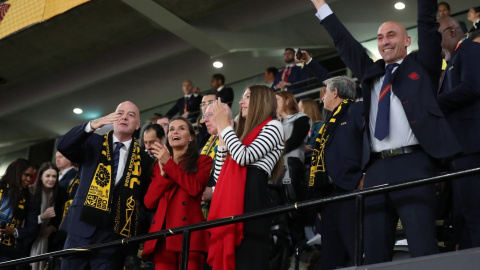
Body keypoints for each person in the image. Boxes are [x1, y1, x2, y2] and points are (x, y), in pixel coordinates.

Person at [309, 0, 461, 264]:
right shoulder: (371, 73)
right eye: (380, 37)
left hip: (414, 164)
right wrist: (321, 5)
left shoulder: (422, 66)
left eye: (391, 35)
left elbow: (426, 23)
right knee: (375, 254)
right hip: (376, 171)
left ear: (407, 41)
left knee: (423, 248)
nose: (385, 41)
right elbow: (345, 42)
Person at [56, 101, 154, 269]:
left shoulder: (145, 160)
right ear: (113, 118)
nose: (124, 117)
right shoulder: (93, 142)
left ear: (138, 125)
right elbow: (63, 145)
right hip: (81, 227)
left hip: (114, 238)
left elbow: (145, 201)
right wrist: (92, 125)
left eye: (131, 115)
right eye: (120, 113)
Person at [207, 85, 284, 270]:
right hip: (231, 199)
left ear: (261, 101)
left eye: (248, 97)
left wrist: (225, 126)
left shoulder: (274, 125)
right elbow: (218, 176)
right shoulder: (238, 136)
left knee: (249, 258)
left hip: (252, 198)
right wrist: (223, 139)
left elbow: (244, 157)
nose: (241, 102)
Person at [142, 116, 212, 270]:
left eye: (181, 128)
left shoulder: (203, 161)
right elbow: (149, 202)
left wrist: (169, 165)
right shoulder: (158, 164)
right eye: (172, 129)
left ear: (191, 137)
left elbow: (195, 189)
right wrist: (163, 173)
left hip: (190, 235)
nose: (175, 131)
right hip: (162, 238)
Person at [309, 76, 365, 269]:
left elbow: (370, 142)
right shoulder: (327, 124)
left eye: (325, 91)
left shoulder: (356, 110)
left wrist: (365, 173)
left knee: (358, 253)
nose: (322, 96)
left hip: (350, 191)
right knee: (332, 260)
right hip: (327, 197)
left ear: (335, 92)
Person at [437, 16, 480, 249]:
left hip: (472, 147)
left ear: (452, 31)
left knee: (475, 217)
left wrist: (434, 102)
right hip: (461, 150)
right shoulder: (454, 59)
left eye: (438, 35)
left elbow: (474, 86)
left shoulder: (470, 50)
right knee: (463, 218)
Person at [275, 91, 311, 245]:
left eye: (276, 99)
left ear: (287, 100)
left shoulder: (301, 118)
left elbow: (295, 140)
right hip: (276, 171)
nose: (272, 103)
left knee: (293, 205)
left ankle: (303, 243)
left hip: (291, 165)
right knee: (281, 209)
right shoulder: (275, 123)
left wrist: (271, 152)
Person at [0, 158, 38, 268]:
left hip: (8, 253)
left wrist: (13, 231)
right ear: (16, 173)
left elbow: (32, 228)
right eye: (26, 175)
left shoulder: (30, 198)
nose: (29, 179)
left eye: (31, 176)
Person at [29, 162, 67, 270]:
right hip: (30, 239)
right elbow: (24, 221)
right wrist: (42, 217)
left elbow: (61, 216)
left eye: (54, 176)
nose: (51, 179)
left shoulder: (61, 193)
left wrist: (52, 227)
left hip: (50, 240)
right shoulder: (31, 192)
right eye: (48, 176)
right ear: (40, 177)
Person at [298, 98, 323, 164]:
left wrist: (300, 148)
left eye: (302, 107)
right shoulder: (300, 128)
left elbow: (313, 144)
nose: (299, 110)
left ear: (310, 109)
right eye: (298, 108)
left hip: (314, 163)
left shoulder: (320, 125)